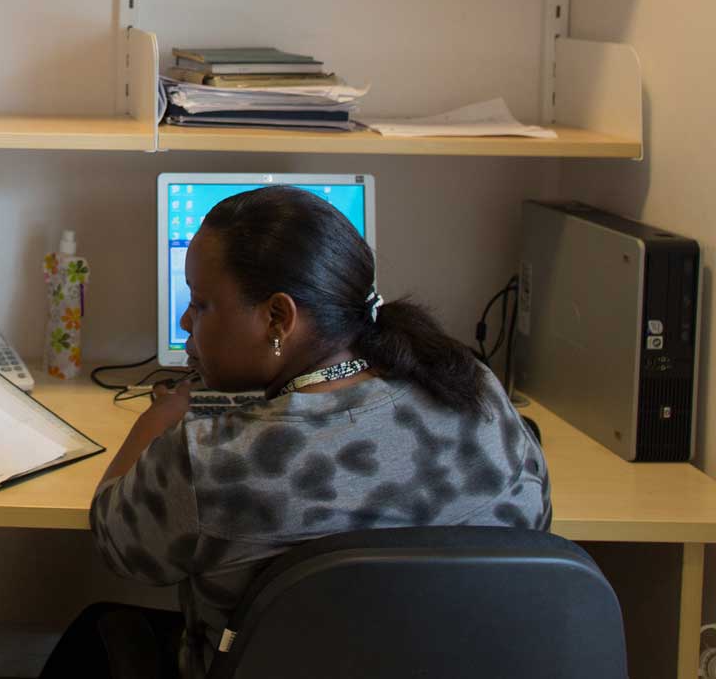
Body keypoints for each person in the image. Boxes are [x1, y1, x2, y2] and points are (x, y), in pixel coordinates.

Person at [41, 185, 550, 679]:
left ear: (278, 318)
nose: (185, 319)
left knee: (100, 630)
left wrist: (156, 422)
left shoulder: (214, 461)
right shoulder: (475, 389)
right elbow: (536, 519)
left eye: (201, 304)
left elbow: (115, 540)